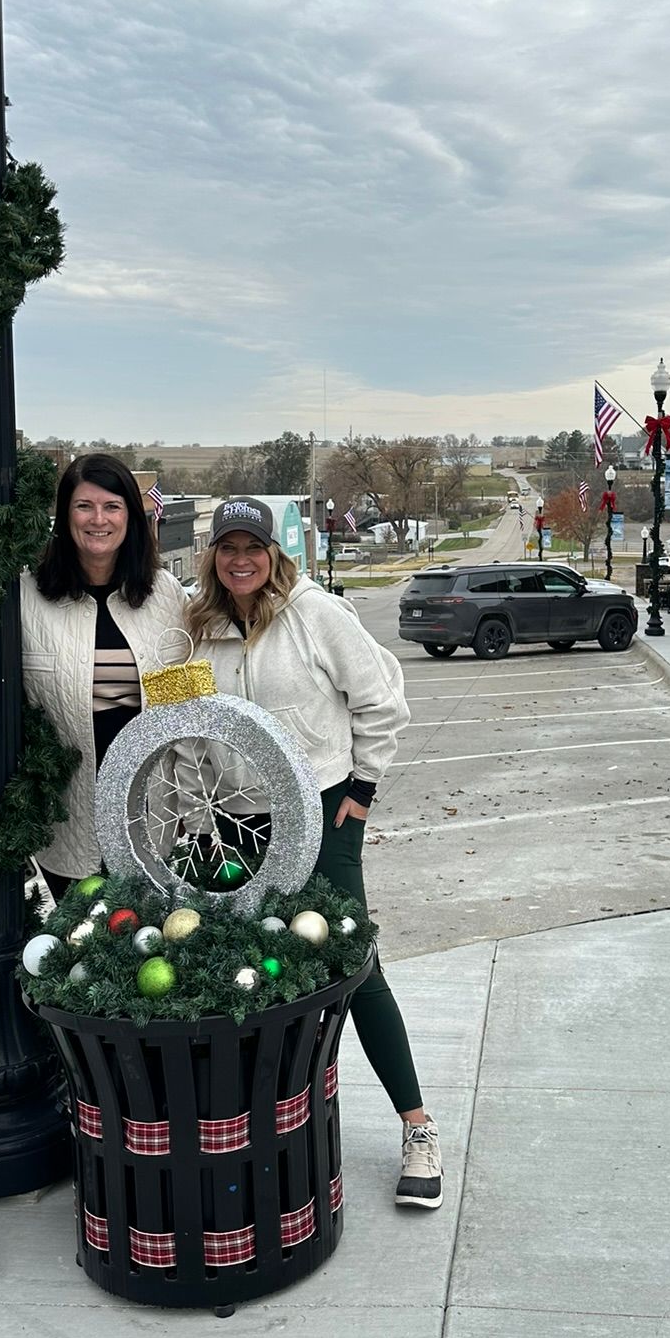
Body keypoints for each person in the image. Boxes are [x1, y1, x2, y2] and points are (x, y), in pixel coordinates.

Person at [186, 497, 442, 1210]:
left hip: (325, 811)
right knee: (249, 964)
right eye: (228, 547)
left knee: (354, 964)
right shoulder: (200, 628)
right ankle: (270, 1123)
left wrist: (361, 790)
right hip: (236, 822)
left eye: (254, 547)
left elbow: (382, 701)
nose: (241, 559)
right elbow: (190, 721)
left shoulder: (316, 614)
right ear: (211, 555)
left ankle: (417, 1126)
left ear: (275, 553)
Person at [21, 452, 190, 900]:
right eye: (84, 506)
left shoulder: (165, 596)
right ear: (64, 515)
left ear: (131, 517)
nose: (99, 519)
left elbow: (185, 706)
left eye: (112, 507)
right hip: (69, 823)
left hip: (153, 817)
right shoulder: (27, 598)